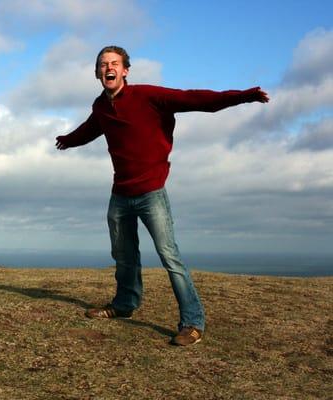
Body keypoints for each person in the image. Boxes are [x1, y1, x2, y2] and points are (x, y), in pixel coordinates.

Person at [55, 45, 269, 346]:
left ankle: (193, 323)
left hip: (151, 192)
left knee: (170, 256)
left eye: (114, 63)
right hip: (120, 194)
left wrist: (242, 96)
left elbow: (196, 99)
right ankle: (125, 304)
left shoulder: (148, 96)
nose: (108, 68)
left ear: (125, 70)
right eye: (103, 65)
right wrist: (68, 139)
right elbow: (90, 129)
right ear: (97, 73)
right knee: (123, 254)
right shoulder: (101, 106)